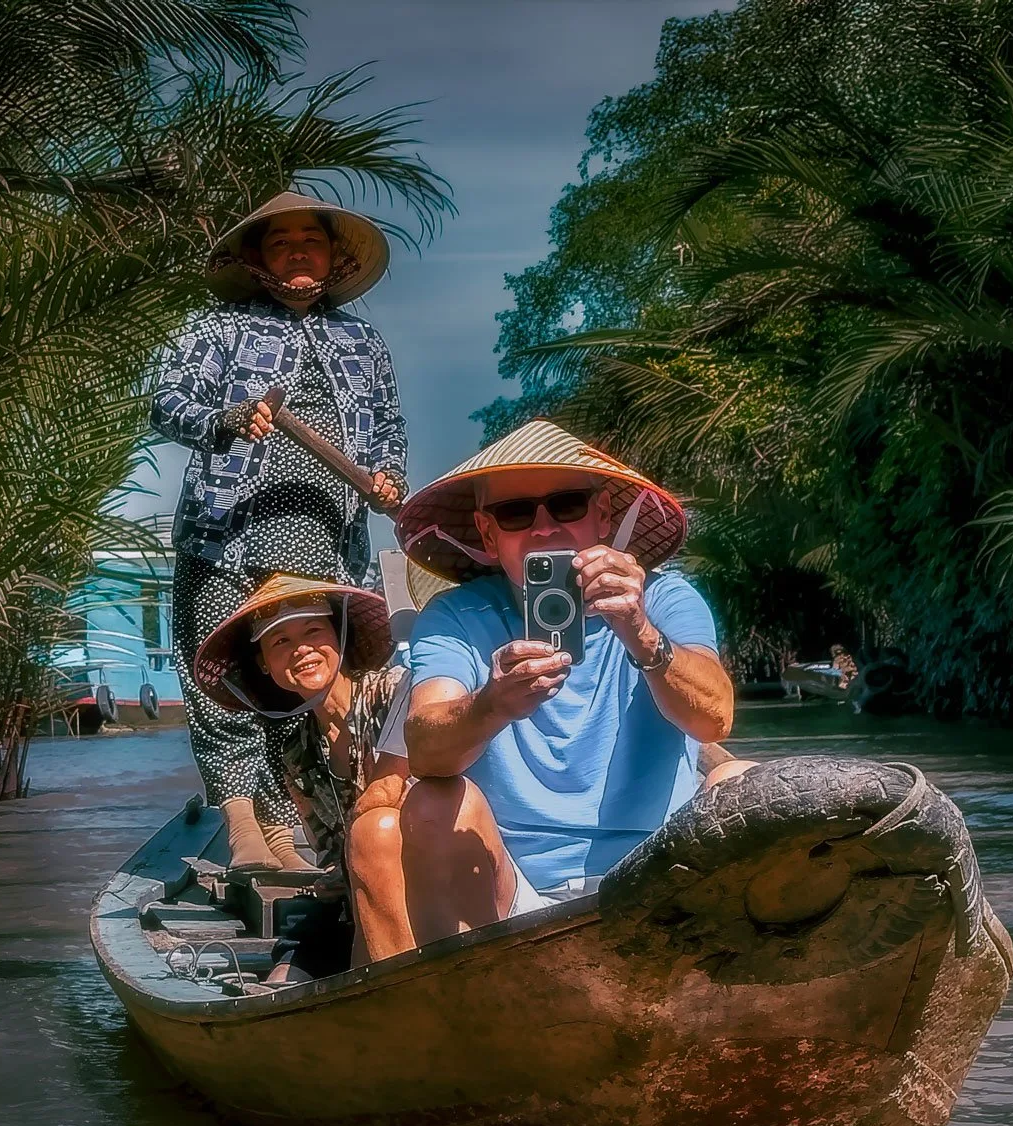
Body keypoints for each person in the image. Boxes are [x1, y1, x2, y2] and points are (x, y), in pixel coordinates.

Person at [393, 420, 751, 944]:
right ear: (488, 535)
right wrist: (492, 705)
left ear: (600, 516)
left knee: (739, 781)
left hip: (661, 875)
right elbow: (425, 747)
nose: (543, 529)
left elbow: (715, 717)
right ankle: (468, 999)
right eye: (515, 514)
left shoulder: (664, 598)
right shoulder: (458, 617)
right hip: (511, 886)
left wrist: (641, 633)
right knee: (429, 802)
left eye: (566, 505)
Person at [150, 192, 407, 873]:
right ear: (259, 259)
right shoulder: (216, 328)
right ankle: (245, 828)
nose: (297, 251)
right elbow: (167, 402)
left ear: (333, 256)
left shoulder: (364, 342)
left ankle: (290, 825)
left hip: (321, 534)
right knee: (225, 677)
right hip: (224, 530)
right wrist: (230, 418)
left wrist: (387, 479)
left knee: (298, 677)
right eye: (280, 241)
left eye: (310, 240)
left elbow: (386, 430)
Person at [192, 574, 412, 977]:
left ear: (338, 636)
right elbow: (332, 852)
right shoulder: (297, 752)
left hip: (425, 888)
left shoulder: (395, 693)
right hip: (360, 902)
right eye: (281, 642)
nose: (302, 650)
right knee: (286, 970)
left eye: (313, 630)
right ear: (264, 663)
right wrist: (336, 877)